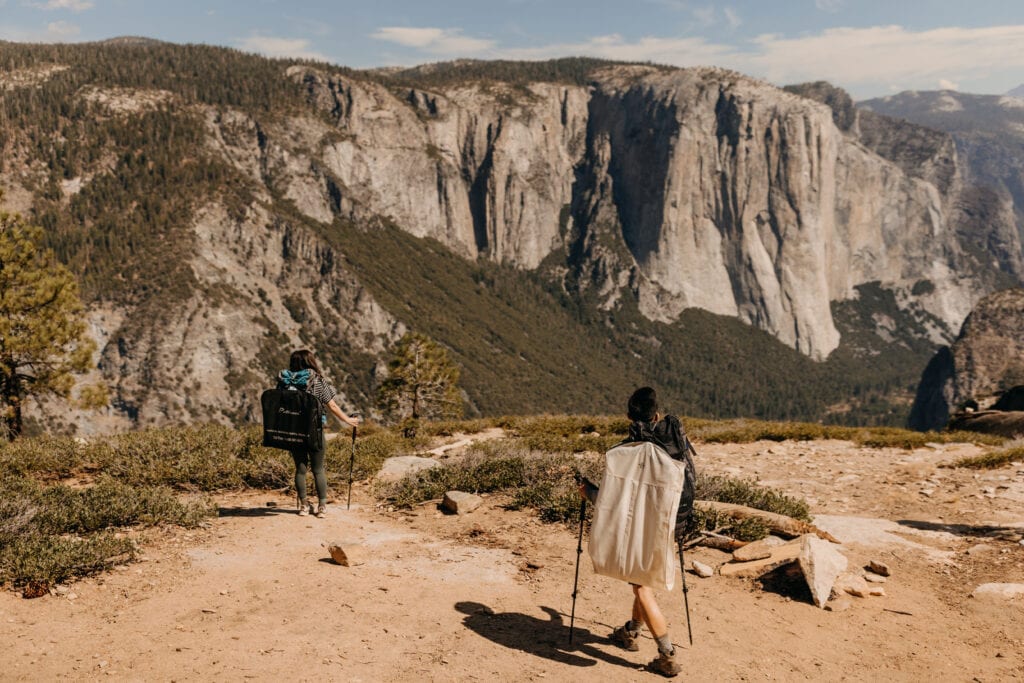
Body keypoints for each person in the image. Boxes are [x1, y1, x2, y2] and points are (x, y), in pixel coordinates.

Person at [579, 386, 697, 678]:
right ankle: (631, 632)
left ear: (628, 417)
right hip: (670, 525)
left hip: (642, 528)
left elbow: (611, 502)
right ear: (656, 414)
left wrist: (587, 491)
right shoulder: (675, 444)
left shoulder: (626, 453)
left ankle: (667, 655)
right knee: (641, 581)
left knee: (642, 588)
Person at [279, 349, 360, 518]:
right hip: (314, 430)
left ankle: (303, 506)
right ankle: (322, 506)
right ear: (310, 362)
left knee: (300, 470)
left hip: (294, 431)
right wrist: (348, 420)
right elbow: (332, 406)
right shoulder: (317, 381)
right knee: (318, 469)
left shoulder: (284, 382)